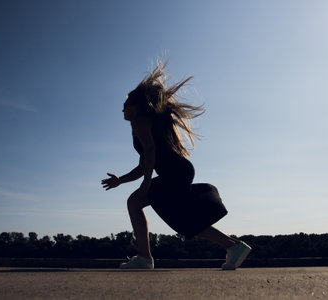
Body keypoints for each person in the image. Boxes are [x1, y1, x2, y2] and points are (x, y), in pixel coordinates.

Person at [101, 62, 251, 270]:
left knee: (143, 205)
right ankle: (234, 247)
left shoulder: (140, 122)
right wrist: (121, 180)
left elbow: (151, 153)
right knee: (183, 220)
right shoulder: (142, 125)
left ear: (135, 108)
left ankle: (145, 258)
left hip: (175, 173)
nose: (123, 110)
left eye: (126, 106)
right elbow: (143, 165)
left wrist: (146, 185)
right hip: (179, 172)